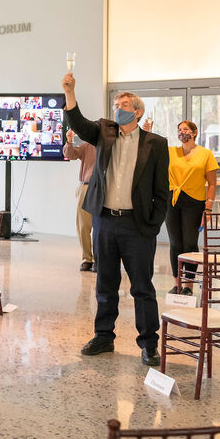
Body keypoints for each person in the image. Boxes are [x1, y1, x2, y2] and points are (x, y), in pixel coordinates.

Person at [62, 72, 169, 367]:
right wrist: (71, 93)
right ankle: (103, 337)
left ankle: (148, 343)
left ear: (137, 111)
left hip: (137, 226)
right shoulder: (105, 133)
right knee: (105, 284)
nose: (118, 109)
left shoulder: (156, 144)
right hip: (106, 222)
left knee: (142, 288)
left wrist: (152, 224)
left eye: (123, 104)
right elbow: (79, 124)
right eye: (116, 104)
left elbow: (162, 190)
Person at [166, 120, 219, 295]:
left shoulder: (206, 154)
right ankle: (177, 283)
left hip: (195, 202)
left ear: (194, 132)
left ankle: (188, 285)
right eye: (179, 130)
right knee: (175, 243)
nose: (182, 133)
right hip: (172, 200)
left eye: (186, 129)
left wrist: (208, 208)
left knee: (189, 243)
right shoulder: (171, 152)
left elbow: (212, 184)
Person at [63, 128, 97, 272]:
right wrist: (69, 141)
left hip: (106, 189)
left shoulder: (113, 146)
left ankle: (99, 259)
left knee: (102, 228)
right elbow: (70, 154)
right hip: (86, 187)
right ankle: (87, 259)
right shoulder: (87, 146)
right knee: (83, 226)